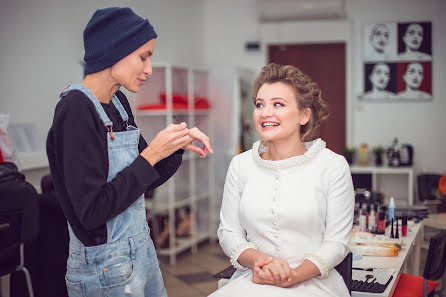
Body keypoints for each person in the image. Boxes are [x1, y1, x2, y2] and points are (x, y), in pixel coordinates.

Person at [46, 7, 213, 297]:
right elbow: (92, 212)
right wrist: (151, 155)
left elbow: (146, 179)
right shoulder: (75, 110)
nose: (149, 69)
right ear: (115, 52)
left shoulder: (119, 103)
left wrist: (173, 147)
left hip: (142, 251)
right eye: (143, 56)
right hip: (104, 268)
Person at [210, 63, 354, 297]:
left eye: (278, 104)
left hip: (313, 283)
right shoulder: (241, 165)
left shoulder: (332, 166)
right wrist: (260, 262)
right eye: (260, 104)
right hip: (255, 280)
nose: (266, 112)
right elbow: (228, 232)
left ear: (304, 115)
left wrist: (292, 277)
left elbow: (337, 242)